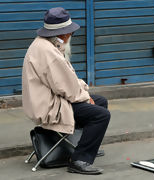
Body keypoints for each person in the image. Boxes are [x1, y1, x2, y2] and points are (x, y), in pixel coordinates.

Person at [22, 7, 110, 175]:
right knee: (101, 115)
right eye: (70, 33)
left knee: (100, 102)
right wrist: (85, 96)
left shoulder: (43, 44)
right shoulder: (49, 53)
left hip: (48, 100)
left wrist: (85, 94)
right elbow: (67, 89)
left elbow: (66, 82)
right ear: (62, 35)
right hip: (49, 106)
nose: (70, 36)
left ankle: (87, 145)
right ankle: (80, 160)